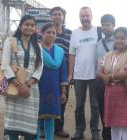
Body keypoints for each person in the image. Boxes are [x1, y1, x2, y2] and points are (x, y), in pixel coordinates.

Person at [1, 15, 43, 140]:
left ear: (35, 28)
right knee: (12, 128)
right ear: (20, 26)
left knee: (29, 129)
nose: (29, 27)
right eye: (26, 24)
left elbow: (40, 68)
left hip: (31, 91)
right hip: (14, 89)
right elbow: (5, 65)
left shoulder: (38, 46)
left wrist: (27, 84)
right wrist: (19, 85)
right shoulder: (10, 41)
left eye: (32, 25)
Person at [69, 6, 100, 140]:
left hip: (95, 75)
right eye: (82, 16)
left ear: (91, 16)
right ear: (79, 17)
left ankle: (95, 131)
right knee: (79, 105)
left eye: (87, 15)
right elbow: (71, 54)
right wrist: (70, 73)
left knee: (95, 105)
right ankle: (79, 130)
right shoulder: (75, 33)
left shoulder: (98, 31)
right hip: (79, 75)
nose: (85, 18)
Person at [98, 27, 127, 140]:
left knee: (125, 124)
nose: (119, 40)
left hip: (124, 92)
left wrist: (110, 76)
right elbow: (99, 72)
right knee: (113, 123)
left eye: (122, 38)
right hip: (110, 92)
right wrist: (105, 77)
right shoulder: (108, 54)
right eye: (116, 38)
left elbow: (126, 74)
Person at [36, 22, 68, 140]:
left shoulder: (60, 51)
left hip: (54, 88)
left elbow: (63, 72)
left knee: (50, 117)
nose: (51, 35)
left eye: (53, 33)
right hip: (38, 87)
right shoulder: (36, 49)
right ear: (42, 34)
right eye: (48, 32)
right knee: (37, 116)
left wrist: (63, 91)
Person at [50, 6, 72, 138]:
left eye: (59, 14)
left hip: (63, 73)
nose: (57, 16)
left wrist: (70, 74)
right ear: (51, 17)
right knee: (46, 99)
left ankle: (59, 128)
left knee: (62, 100)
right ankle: (45, 128)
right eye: (54, 14)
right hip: (47, 72)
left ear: (63, 17)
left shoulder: (70, 33)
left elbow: (71, 55)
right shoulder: (44, 31)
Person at [95, 14, 116, 140]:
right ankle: (106, 134)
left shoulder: (119, 40)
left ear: (113, 25)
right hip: (99, 80)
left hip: (114, 80)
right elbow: (97, 61)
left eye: (108, 24)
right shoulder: (99, 42)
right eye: (103, 25)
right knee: (102, 108)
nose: (105, 27)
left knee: (114, 108)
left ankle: (114, 134)